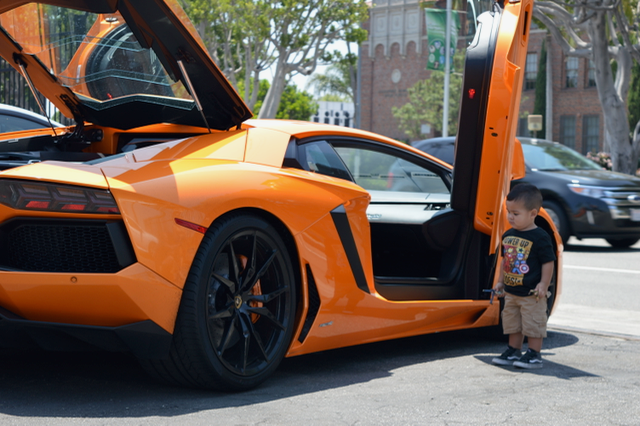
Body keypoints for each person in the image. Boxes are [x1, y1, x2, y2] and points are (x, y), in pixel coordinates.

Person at [491, 183, 556, 369]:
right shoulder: (508, 235)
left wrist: (544, 283)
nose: (510, 217)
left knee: (533, 323)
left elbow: (548, 261)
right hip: (512, 292)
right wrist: (500, 282)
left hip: (531, 293)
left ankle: (534, 354)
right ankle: (514, 350)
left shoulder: (540, 236)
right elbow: (507, 262)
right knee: (513, 322)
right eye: (508, 212)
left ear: (533, 214)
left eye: (516, 213)